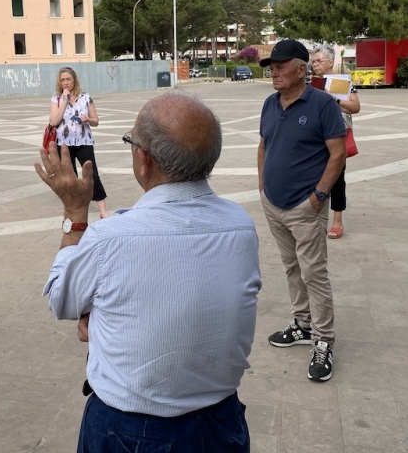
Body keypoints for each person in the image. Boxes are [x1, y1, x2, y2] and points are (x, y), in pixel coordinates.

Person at [35, 92, 261, 452]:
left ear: (144, 159)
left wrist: (76, 214)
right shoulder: (241, 225)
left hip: (131, 430)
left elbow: (62, 301)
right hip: (222, 422)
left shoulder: (112, 236)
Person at [257, 39, 346, 382]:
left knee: (314, 273)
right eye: (271, 67)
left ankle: (324, 340)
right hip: (273, 203)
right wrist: (262, 184)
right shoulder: (269, 103)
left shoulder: (323, 104)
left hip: (304, 206)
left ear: (301, 68)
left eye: (280, 66)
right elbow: (264, 144)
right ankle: (302, 324)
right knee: (291, 266)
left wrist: (319, 196)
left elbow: (336, 154)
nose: (274, 72)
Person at [310, 44, 361, 238]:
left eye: (319, 61)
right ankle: (315, 216)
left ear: (330, 62)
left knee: (337, 179)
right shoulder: (311, 83)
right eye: (313, 61)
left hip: (337, 135)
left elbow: (355, 107)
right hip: (315, 136)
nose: (315, 65)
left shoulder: (342, 82)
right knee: (314, 176)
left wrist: (334, 100)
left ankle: (337, 220)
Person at [48, 66, 108, 218]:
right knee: (70, 177)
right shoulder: (56, 99)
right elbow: (54, 121)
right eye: (62, 80)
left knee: (92, 173)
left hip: (84, 141)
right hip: (64, 144)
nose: (66, 83)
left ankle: (102, 211)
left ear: (74, 80)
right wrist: (64, 101)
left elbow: (96, 121)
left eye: (68, 79)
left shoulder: (86, 98)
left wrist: (89, 119)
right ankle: (74, 209)